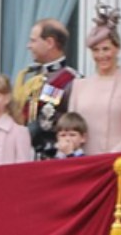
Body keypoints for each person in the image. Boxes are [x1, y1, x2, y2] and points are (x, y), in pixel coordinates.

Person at [68, 6, 121, 154]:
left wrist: (112, 157)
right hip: (85, 162)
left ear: (117, 48)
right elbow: (71, 127)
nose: (101, 55)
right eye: (95, 50)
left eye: (106, 49)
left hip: (118, 164)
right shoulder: (79, 85)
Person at [11, 18, 79, 159]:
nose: (28, 46)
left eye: (33, 41)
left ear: (49, 43)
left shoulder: (71, 79)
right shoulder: (30, 77)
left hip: (54, 157)